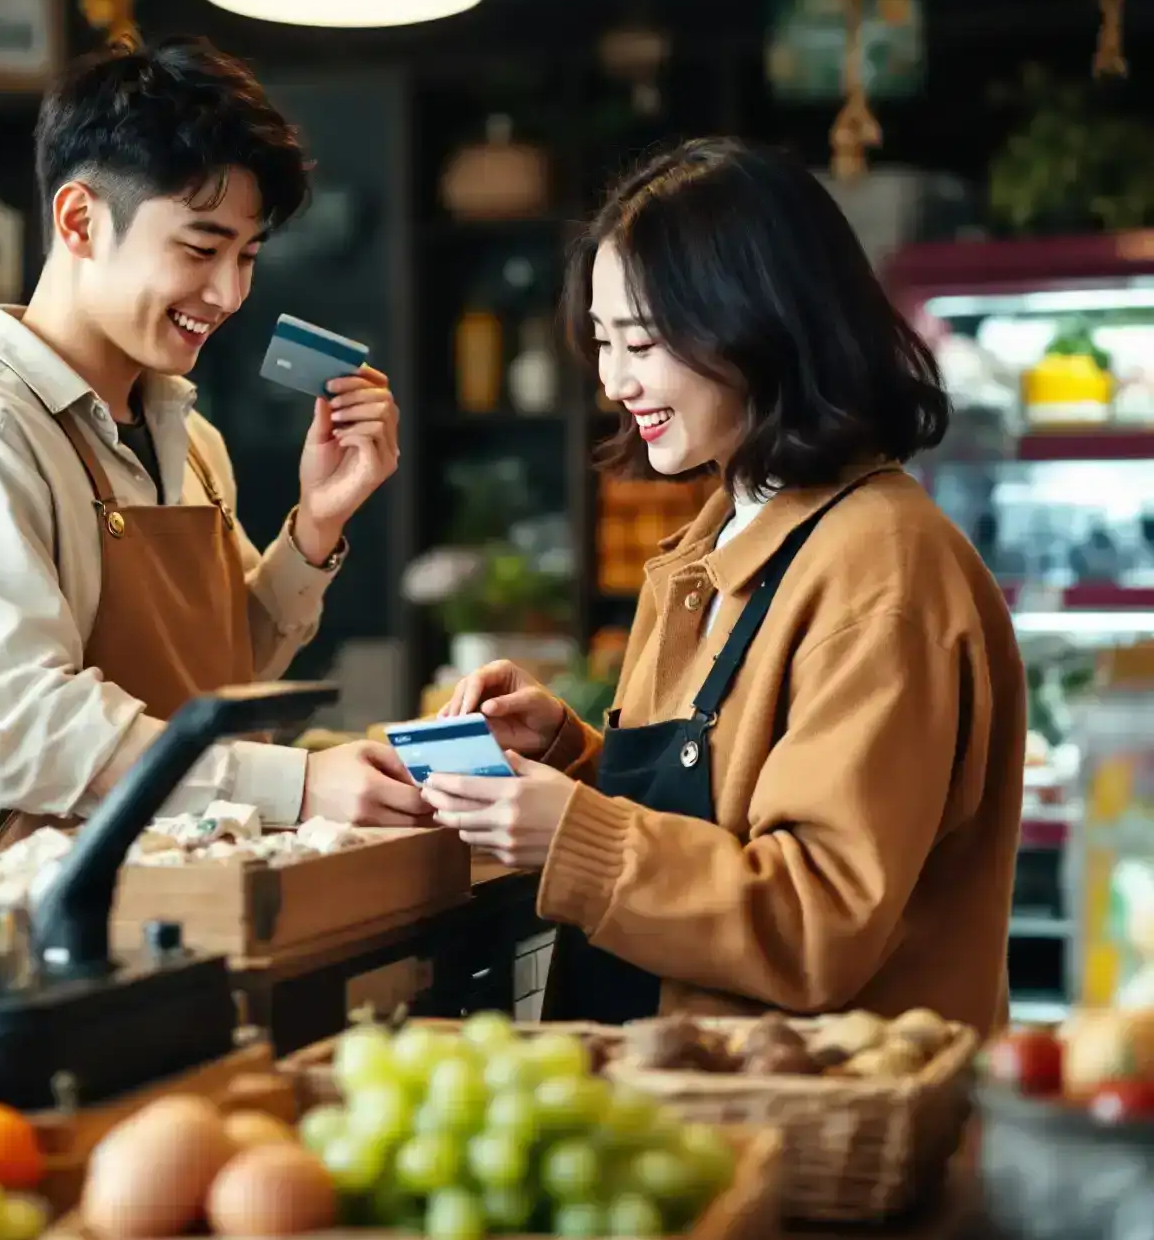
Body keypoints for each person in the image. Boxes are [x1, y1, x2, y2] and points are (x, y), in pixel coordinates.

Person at [424, 138, 1025, 1037]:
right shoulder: (726, 538)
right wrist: (569, 760)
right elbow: (727, 818)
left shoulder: (881, 569)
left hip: (817, 1124)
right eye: (600, 341)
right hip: (692, 1100)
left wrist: (573, 836)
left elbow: (818, 920)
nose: (612, 380)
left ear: (761, 325)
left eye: (643, 341)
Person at [0, 37, 424, 845]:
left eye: (248, 255)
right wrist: (295, 785)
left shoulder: (192, 443)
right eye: (201, 248)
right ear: (80, 220)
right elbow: (27, 731)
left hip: (193, 892)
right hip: (40, 927)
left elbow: (216, 679)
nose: (228, 294)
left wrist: (315, 527)